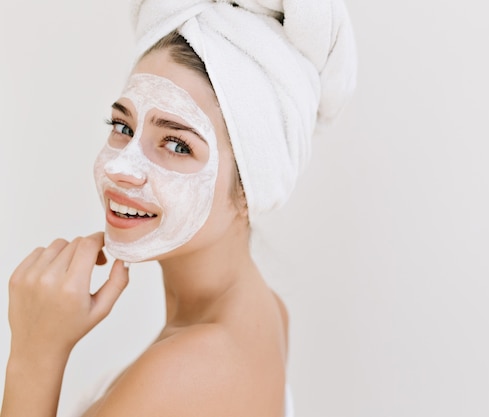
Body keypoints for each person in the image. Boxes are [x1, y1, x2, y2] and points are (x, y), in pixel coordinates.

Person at [0, 0, 356, 416]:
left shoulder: (184, 371)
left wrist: (35, 352)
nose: (121, 167)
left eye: (177, 145)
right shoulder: (267, 311)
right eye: (123, 127)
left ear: (250, 187)